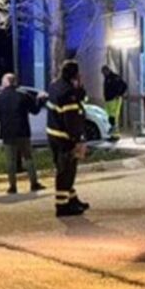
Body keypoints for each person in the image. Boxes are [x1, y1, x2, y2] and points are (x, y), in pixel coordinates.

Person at [0, 73, 47, 194]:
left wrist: (4, 119)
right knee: (28, 157)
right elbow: (35, 110)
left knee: (10, 160)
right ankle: (34, 183)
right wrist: (41, 100)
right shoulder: (23, 94)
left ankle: (12, 186)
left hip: (7, 132)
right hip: (22, 131)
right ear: (14, 82)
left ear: (5, 83)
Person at [46, 60, 89, 217]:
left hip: (54, 135)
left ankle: (72, 200)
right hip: (65, 139)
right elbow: (72, 120)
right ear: (75, 74)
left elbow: (79, 97)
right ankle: (62, 206)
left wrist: (78, 89)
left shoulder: (56, 86)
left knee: (66, 170)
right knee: (66, 172)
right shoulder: (67, 94)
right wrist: (79, 141)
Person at [101, 65, 128, 139]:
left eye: (104, 72)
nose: (103, 74)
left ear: (107, 70)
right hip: (108, 100)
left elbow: (124, 86)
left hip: (114, 100)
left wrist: (119, 94)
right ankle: (112, 134)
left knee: (113, 117)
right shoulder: (107, 78)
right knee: (109, 117)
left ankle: (115, 135)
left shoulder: (114, 77)